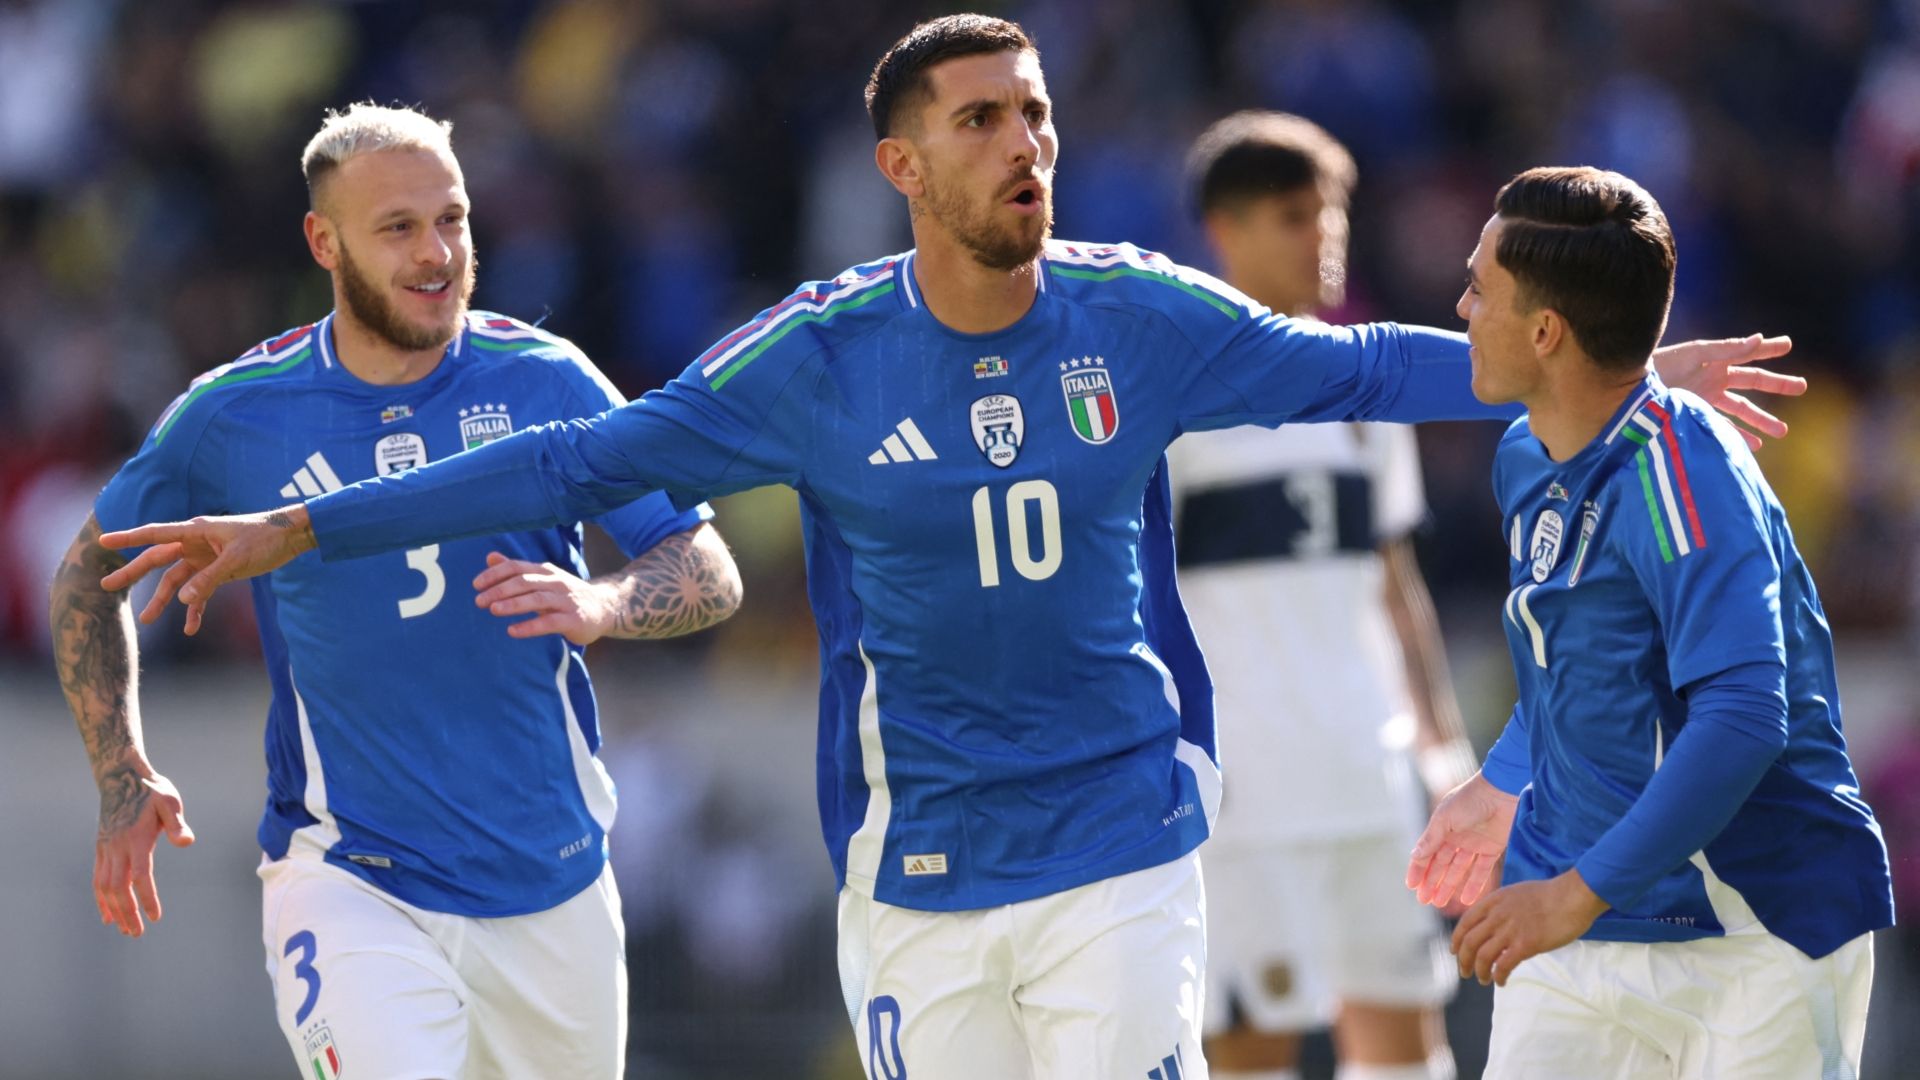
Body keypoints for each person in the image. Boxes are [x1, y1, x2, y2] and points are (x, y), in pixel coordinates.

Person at [95, 18, 1804, 1079]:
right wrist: (301, 527)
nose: (1028, 145)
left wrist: (1628, 358)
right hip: (914, 874)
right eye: (983, 119)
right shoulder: (814, 358)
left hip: (1128, 835)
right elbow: (571, 458)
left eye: (1040, 114)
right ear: (903, 163)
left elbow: (1357, 364)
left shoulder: (1136, 318)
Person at [48, 103, 743, 1080]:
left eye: (453, 219)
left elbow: (706, 568)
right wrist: (122, 774)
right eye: (400, 228)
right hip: (349, 878)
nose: (438, 252)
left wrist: (604, 605)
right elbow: (86, 572)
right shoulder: (236, 413)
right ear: (323, 242)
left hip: (555, 881)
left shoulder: (550, 382)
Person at [1405, 166, 1894, 1078]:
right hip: (1579, 919)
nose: (1462, 306)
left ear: (1546, 332)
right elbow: (1578, 665)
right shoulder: (1526, 454)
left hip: (1755, 929)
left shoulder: (1684, 468)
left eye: (1480, 287)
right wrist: (1505, 777)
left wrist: (1573, 897)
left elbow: (1746, 717)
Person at [1170, 111, 1470, 1080]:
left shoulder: (1366, 393)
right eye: (1296, 216)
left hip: (1367, 776)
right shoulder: (1179, 404)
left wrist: (1444, 752)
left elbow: (1397, 589)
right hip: (1246, 797)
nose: (1324, 236)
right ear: (1226, 231)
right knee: (1250, 1053)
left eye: (1333, 212)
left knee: (1404, 1048)